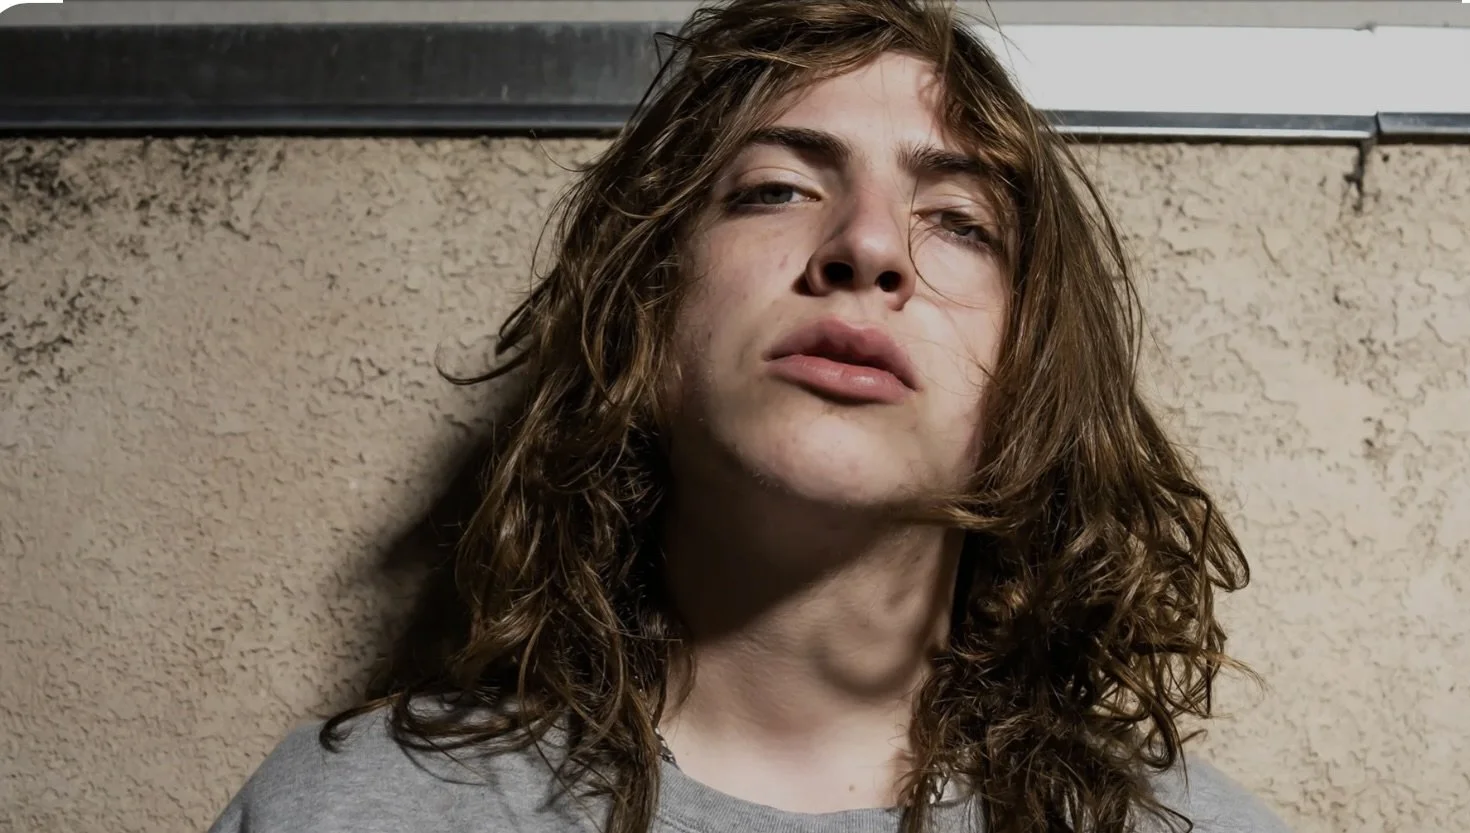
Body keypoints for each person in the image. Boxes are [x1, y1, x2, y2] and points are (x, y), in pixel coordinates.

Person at [209, 1, 1291, 831]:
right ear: (647, 312)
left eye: (958, 221)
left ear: (1032, 376)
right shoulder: (350, 809)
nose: (866, 245)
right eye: (772, 188)